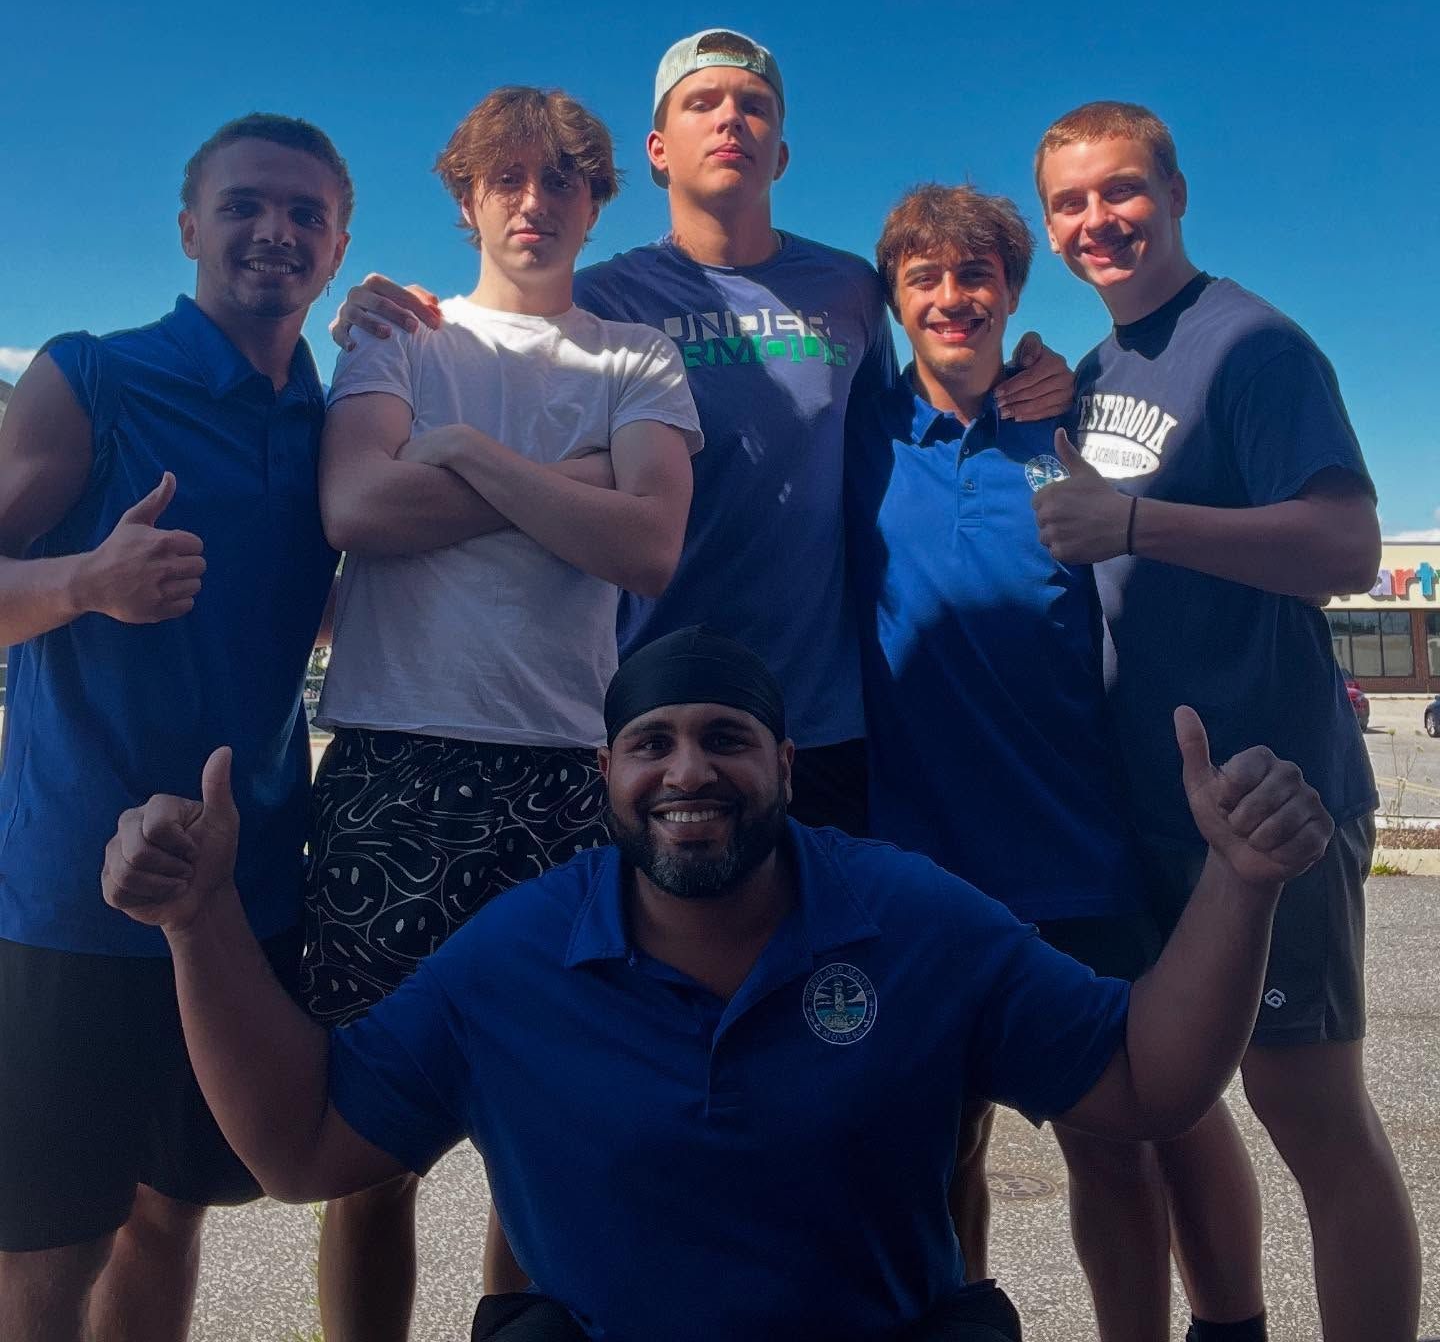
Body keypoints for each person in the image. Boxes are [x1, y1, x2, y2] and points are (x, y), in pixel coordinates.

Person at [102, 626, 1335, 1342]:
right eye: (653, 743)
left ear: (786, 764)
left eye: (726, 738)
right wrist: (198, 922)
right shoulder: (517, 954)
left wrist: (1242, 884)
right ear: (607, 775)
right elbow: (306, 1150)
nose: (688, 770)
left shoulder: (912, 917)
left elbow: (1144, 1083)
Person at [333, 27, 1072, 839]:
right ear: (657, 150)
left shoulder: (850, 289)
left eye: (754, 106)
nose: (730, 121)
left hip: (822, 703)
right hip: (651, 694)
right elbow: (513, 316)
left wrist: (1028, 366)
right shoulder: (606, 298)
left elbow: (904, 421)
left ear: (781, 153)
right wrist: (384, 304)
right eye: (702, 103)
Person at [307, 86, 701, 1342]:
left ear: (596, 201)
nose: (535, 204)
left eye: (562, 182)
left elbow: (647, 546)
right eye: (508, 181)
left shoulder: (636, 356)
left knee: (546, 1138)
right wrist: (569, 483)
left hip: (562, 780)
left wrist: (470, 456)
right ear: (468, 197)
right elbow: (357, 513)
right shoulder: (398, 338)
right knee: (370, 1149)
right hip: (394, 760)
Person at [1032, 99, 1417, 1342]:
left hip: (1273, 798)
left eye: (1123, 190)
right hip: (1141, 806)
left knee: (1312, 1116)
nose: (1101, 220)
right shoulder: (1094, 378)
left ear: (1177, 191)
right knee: (1171, 1101)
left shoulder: (1253, 347)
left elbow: (1346, 545)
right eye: (1073, 203)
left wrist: (1138, 524)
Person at [0, 113, 351, 1342]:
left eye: (307, 213)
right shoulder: (90, 375)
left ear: (341, 242)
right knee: (47, 1250)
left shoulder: (339, 423)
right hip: (68, 904)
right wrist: (82, 582)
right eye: (247, 203)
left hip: (245, 902)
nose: (277, 230)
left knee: (171, 1212)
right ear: (190, 226)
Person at [847, 181, 1190, 1341]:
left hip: (1076, 857)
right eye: (926, 278)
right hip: (919, 869)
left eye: (976, 275)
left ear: (1012, 290)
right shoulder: (860, 436)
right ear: (895, 299)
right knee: (937, 1156)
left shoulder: (1069, 433)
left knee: (1116, 1152)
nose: (953, 297)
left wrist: (1052, 391)